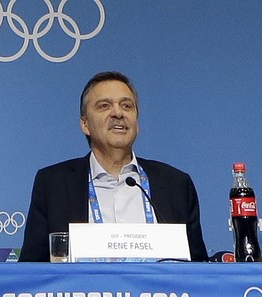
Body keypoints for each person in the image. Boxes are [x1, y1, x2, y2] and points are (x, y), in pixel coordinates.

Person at [19, 71, 208, 262]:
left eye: (127, 106)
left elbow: (198, 271)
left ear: (137, 123)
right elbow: (32, 273)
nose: (118, 113)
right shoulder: (54, 184)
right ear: (85, 124)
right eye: (104, 106)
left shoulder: (175, 184)